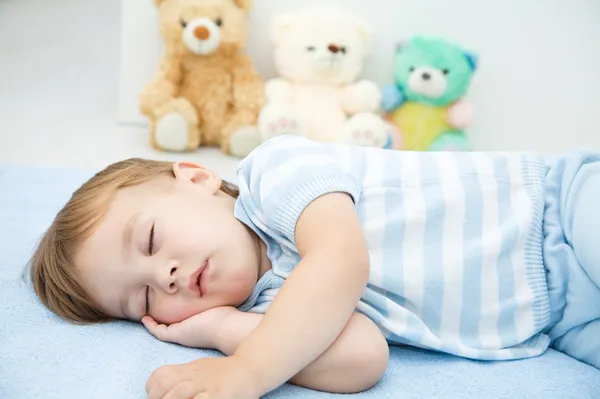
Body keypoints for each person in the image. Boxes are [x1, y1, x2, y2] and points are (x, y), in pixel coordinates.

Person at [29, 134, 600, 399]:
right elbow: (361, 359)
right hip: (558, 322)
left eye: (151, 240)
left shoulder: (275, 175)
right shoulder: (271, 315)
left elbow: (341, 258)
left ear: (198, 179)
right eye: (145, 301)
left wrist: (247, 372)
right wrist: (224, 330)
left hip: (558, 212)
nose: (166, 277)